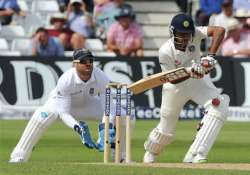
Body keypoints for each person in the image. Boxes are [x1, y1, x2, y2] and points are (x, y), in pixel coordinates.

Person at [9, 48, 134, 163]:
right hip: (60, 105)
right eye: (83, 61)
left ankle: (120, 156)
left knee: (123, 115)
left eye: (90, 60)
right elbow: (63, 113)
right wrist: (78, 128)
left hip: (87, 104)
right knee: (42, 115)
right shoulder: (66, 80)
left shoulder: (100, 77)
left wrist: (104, 129)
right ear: (75, 64)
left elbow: (109, 107)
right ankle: (19, 155)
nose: (88, 63)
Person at [143, 13, 229, 163]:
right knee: (165, 130)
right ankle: (151, 154)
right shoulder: (165, 51)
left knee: (219, 106)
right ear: (172, 32)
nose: (184, 38)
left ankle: (196, 154)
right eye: (180, 34)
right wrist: (191, 71)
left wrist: (210, 56)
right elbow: (173, 79)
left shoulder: (196, 33)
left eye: (187, 35)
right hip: (175, 87)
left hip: (198, 82)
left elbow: (219, 30)